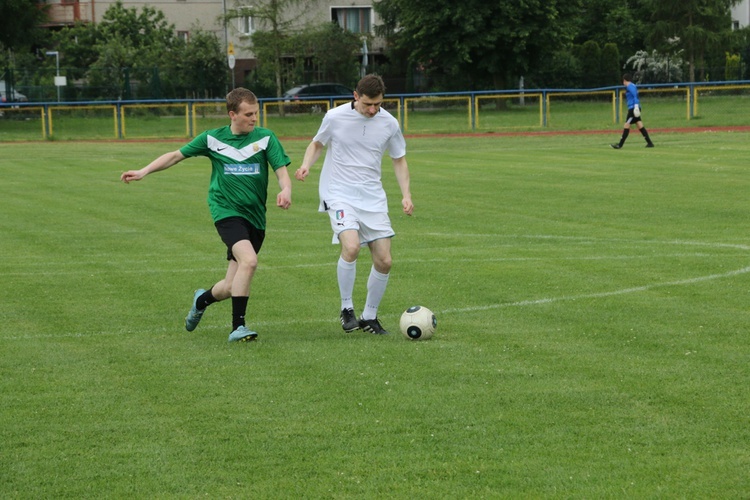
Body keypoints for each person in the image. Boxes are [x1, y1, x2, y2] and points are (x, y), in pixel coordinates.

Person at [120, 87, 292, 342]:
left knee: (231, 286)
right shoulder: (213, 138)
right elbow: (175, 156)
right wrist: (144, 171)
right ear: (232, 114)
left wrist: (286, 189)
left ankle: (201, 300)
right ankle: (238, 327)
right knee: (250, 261)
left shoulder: (266, 138)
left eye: (256, 113)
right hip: (226, 212)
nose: (254, 118)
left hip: (255, 216)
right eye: (248, 114)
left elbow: (280, 170)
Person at [294, 74, 413, 335]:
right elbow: (317, 144)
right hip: (339, 193)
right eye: (368, 104)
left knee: (384, 260)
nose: (373, 110)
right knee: (350, 247)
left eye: (378, 105)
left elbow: (399, 158)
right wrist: (305, 165)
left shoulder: (389, 123)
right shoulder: (334, 117)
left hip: (372, 197)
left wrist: (406, 194)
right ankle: (346, 308)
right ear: (356, 96)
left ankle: (369, 316)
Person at [611, 73, 655, 149]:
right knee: (640, 125)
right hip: (635, 108)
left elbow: (635, 95)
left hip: (633, 109)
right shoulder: (633, 85)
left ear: (624, 80)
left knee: (627, 125)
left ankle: (620, 145)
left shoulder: (629, 86)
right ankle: (650, 143)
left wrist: (636, 106)